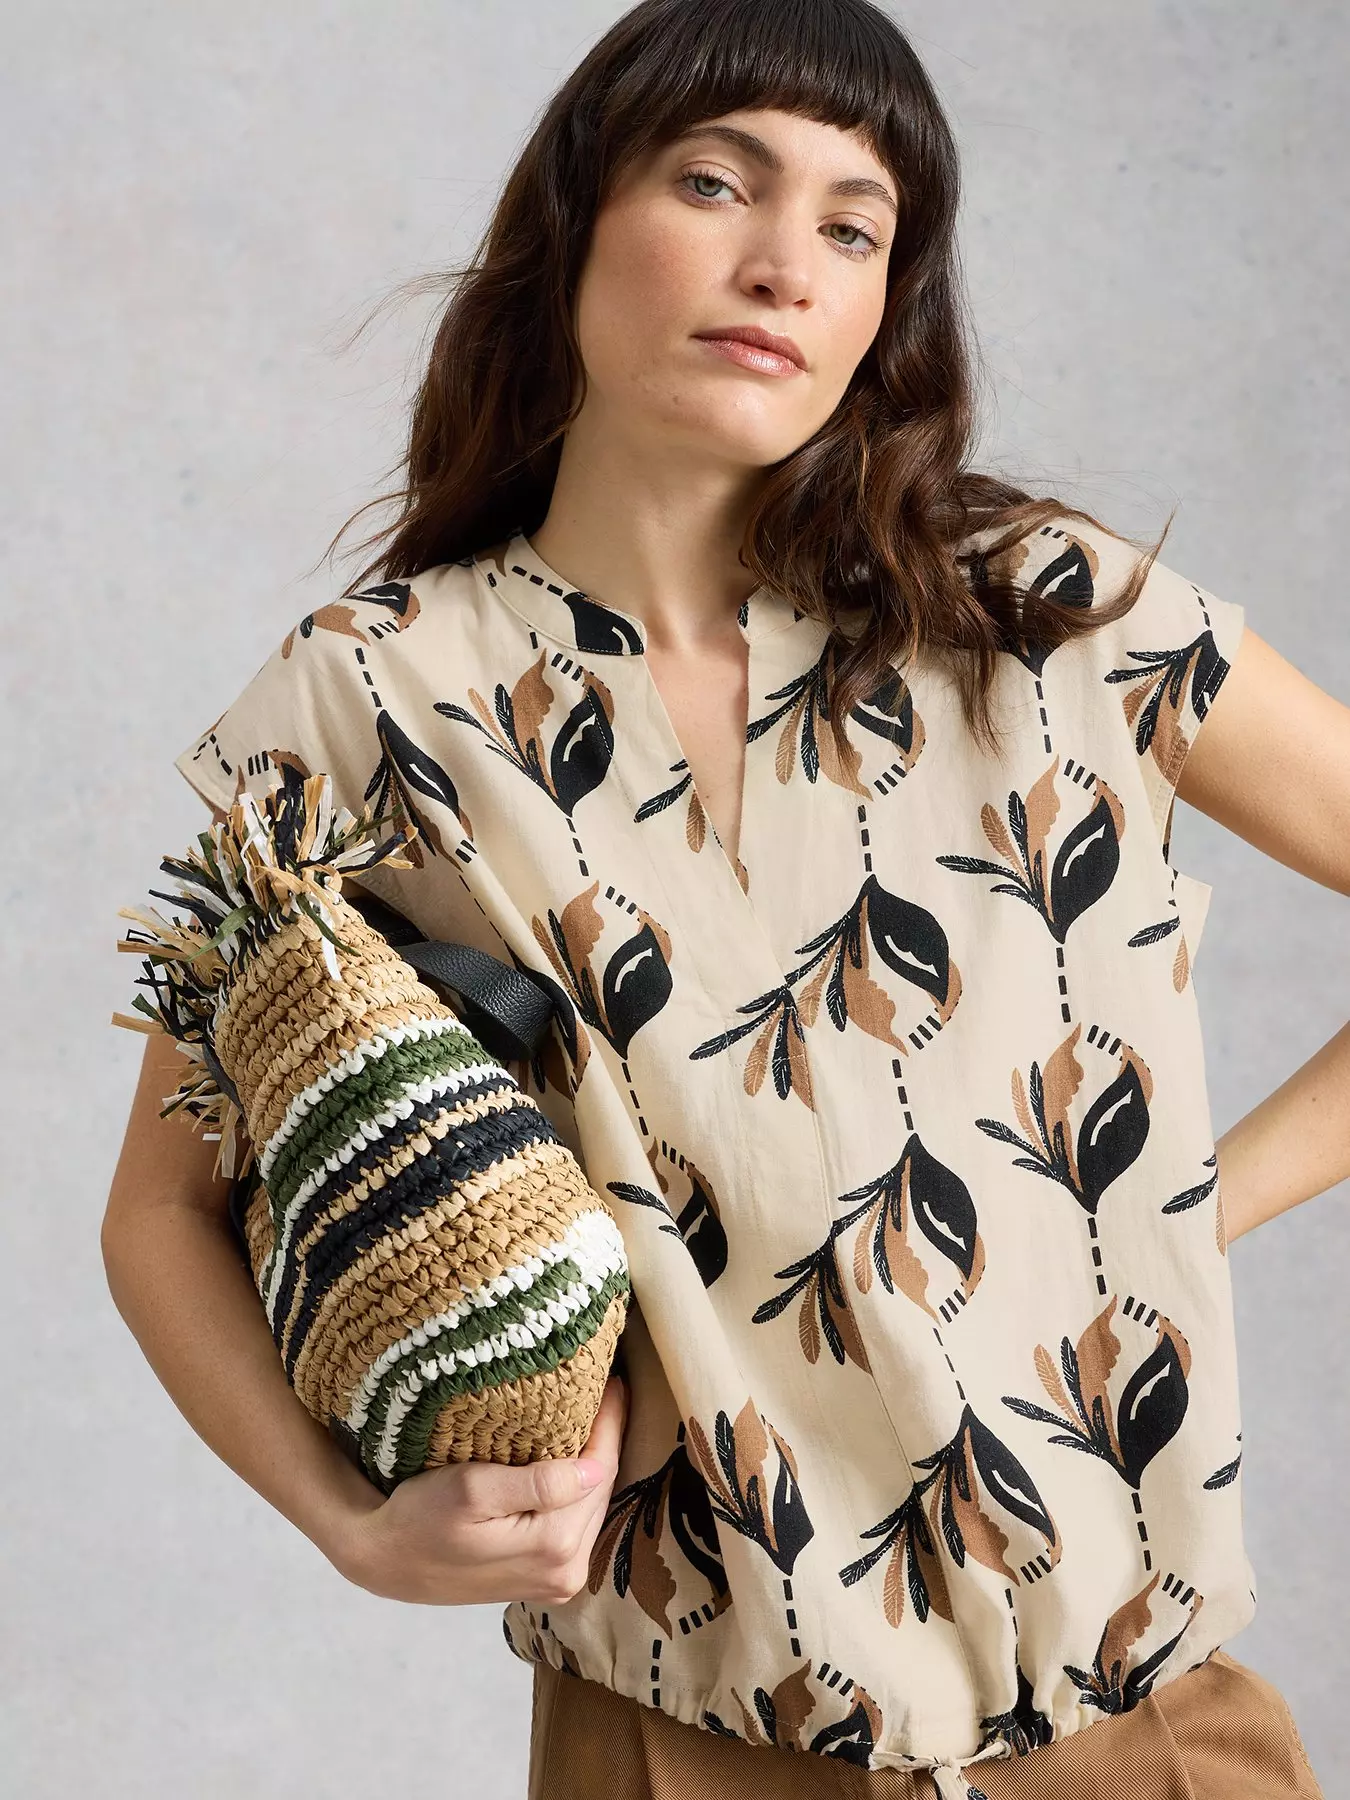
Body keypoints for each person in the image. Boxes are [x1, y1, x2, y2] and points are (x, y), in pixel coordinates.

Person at [102, 2, 1346, 1795]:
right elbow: (161, 1209)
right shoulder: (372, 698)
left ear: (884, 306)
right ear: (571, 225)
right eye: (713, 182)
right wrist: (350, 1525)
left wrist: (1169, 1210)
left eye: (851, 226)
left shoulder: (1043, 616)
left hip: (1139, 1734)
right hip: (681, 1746)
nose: (782, 264)